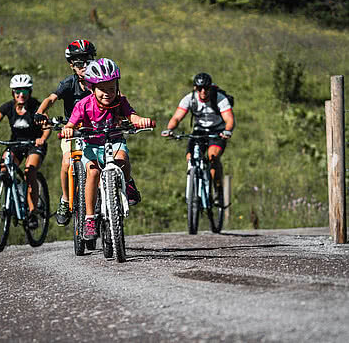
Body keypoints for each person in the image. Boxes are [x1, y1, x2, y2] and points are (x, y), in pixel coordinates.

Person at [61, 58, 154, 240]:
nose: (107, 93)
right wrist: (69, 129)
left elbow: (133, 117)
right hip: (92, 146)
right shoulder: (83, 105)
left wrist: (141, 121)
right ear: (91, 87)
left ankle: (127, 184)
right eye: (102, 89)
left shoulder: (120, 101)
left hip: (114, 142)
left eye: (112, 88)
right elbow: (72, 123)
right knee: (93, 173)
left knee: (123, 160)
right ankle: (89, 218)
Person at [0, 74, 50, 229]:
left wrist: (43, 138)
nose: (21, 95)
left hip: (34, 144)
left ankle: (33, 211)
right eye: (17, 91)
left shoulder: (36, 107)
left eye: (25, 92)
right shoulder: (8, 107)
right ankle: (16, 194)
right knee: (3, 168)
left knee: (30, 171)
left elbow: (46, 127)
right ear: (12, 93)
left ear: (30, 92)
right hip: (15, 144)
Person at [34, 39, 96, 226]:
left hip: (95, 131)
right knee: (67, 162)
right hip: (72, 131)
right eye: (78, 63)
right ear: (72, 66)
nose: (84, 66)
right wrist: (40, 111)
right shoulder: (69, 83)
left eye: (88, 61)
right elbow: (51, 98)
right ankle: (66, 199)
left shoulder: (100, 81)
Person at [161, 72, 235, 206]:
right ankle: (194, 187)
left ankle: (218, 190)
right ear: (195, 88)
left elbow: (229, 119)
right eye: (199, 88)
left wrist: (227, 131)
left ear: (210, 88)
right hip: (199, 131)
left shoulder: (219, 98)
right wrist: (170, 129)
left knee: (213, 156)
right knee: (190, 157)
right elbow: (177, 117)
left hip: (217, 132)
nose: (203, 91)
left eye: (206, 88)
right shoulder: (190, 99)